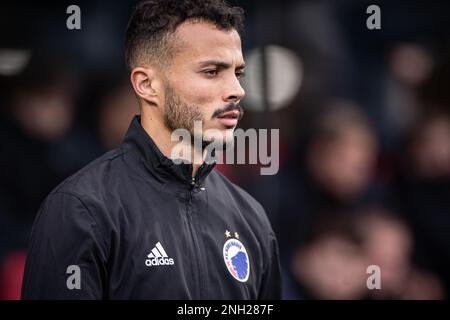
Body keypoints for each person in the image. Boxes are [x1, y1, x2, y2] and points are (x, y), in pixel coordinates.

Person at [21, 0, 281, 299]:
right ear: (147, 85)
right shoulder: (82, 209)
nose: (237, 90)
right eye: (212, 71)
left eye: (238, 73)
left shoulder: (251, 218)